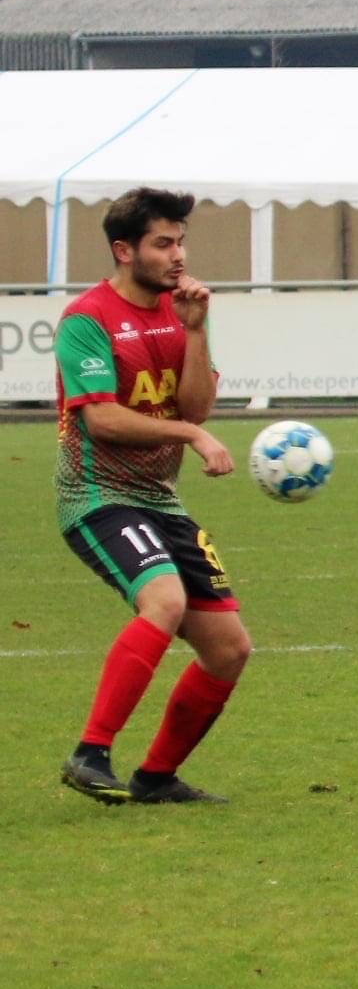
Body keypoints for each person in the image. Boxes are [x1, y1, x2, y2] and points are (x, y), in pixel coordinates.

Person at [55, 187, 249, 806]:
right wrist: (191, 434)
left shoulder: (183, 309)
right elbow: (103, 421)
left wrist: (194, 333)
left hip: (162, 503)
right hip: (97, 496)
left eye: (181, 241)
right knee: (162, 600)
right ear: (124, 250)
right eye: (163, 243)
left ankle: (156, 778)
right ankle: (91, 752)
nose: (178, 255)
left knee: (228, 649)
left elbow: (195, 404)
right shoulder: (87, 319)